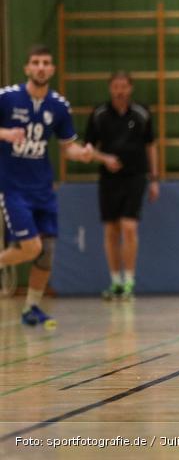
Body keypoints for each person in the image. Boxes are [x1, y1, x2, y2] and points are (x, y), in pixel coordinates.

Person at [0, 44, 94, 328]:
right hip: (12, 187)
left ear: (52, 69)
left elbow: (68, 147)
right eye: (36, 62)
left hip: (43, 188)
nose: (41, 67)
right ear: (27, 68)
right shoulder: (7, 98)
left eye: (46, 63)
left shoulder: (59, 106)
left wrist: (83, 153)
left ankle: (31, 308)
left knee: (47, 251)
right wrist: (5, 133)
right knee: (31, 247)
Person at [84, 71, 159, 301]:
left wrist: (154, 179)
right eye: (116, 86)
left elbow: (151, 146)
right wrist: (104, 159)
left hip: (135, 176)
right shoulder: (99, 114)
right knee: (111, 230)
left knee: (129, 227)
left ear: (130, 88)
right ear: (110, 88)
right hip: (109, 179)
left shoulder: (142, 113)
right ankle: (115, 281)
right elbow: (87, 149)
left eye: (124, 86)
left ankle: (129, 281)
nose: (120, 90)